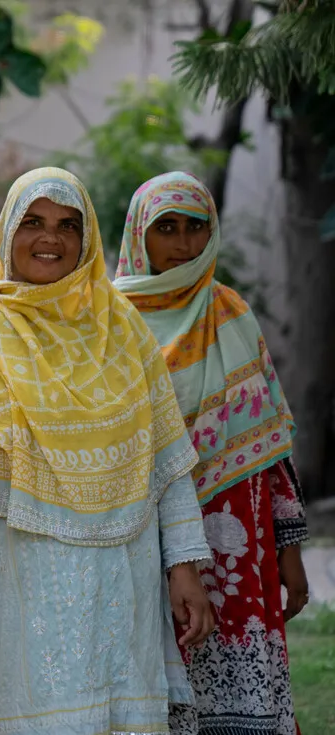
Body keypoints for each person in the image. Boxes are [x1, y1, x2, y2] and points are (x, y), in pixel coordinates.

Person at [0, 167, 216, 735]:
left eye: (68, 226)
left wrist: (184, 566)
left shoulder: (123, 329)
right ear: (7, 234)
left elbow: (166, 457)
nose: (51, 238)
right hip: (9, 580)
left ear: (87, 241)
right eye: (32, 222)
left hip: (119, 574)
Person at [114, 171, 309, 735]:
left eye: (196, 227)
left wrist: (289, 551)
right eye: (165, 228)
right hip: (146, 533)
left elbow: (273, 451)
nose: (182, 244)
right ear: (138, 236)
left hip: (239, 542)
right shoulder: (111, 320)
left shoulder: (231, 314)